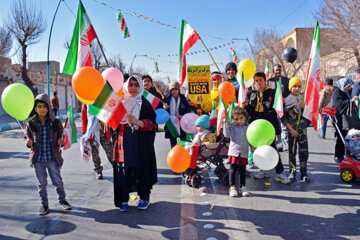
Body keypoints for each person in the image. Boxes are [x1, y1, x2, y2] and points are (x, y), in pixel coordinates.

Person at [113, 75, 157, 211]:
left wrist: (137, 122)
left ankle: (144, 198)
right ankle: (123, 200)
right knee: (123, 170)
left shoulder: (143, 103)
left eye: (136, 85)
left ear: (140, 87)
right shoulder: (119, 102)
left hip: (140, 142)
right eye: (130, 84)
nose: (132, 88)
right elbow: (110, 123)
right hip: (122, 140)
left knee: (141, 169)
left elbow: (153, 125)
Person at [25, 93, 71, 215]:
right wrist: (27, 142)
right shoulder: (31, 123)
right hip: (38, 159)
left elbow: (62, 138)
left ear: (49, 108)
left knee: (58, 181)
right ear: (35, 108)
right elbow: (27, 138)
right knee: (42, 184)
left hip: (52, 158)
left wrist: (61, 142)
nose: (42, 109)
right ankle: (44, 205)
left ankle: (63, 201)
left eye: (45, 107)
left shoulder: (55, 122)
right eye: (39, 106)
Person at [245, 72, 290, 184]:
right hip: (256, 127)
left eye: (261, 80)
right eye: (256, 81)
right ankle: (263, 169)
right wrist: (246, 105)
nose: (259, 83)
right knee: (260, 149)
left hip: (268, 127)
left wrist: (282, 103)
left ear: (265, 81)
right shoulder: (253, 95)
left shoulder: (272, 93)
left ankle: (280, 173)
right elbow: (250, 111)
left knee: (273, 148)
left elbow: (278, 108)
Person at [282, 77, 310, 182]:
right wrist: (291, 129)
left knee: (304, 152)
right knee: (292, 152)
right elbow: (283, 118)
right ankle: (292, 172)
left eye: (298, 86)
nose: (297, 89)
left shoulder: (303, 99)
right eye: (294, 86)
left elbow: (309, 115)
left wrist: (304, 108)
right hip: (292, 131)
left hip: (302, 130)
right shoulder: (286, 101)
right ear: (290, 88)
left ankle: (304, 172)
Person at [223, 107, 250, 197]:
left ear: (245, 117)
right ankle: (232, 187)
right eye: (236, 119)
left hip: (244, 151)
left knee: (242, 170)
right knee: (233, 170)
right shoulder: (232, 126)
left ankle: (243, 187)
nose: (239, 120)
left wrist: (253, 147)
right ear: (233, 119)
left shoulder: (248, 127)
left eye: (241, 118)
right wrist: (226, 124)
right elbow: (227, 134)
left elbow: (251, 138)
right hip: (234, 151)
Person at [81, 104, 114, 180]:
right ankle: (98, 170)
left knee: (110, 151)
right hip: (93, 133)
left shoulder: (102, 100)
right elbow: (84, 118)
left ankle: (117, 169)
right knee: (94, 152)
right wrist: (84, 132)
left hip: (104, 131)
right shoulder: (87, 104)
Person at [331, 77, 358, 163]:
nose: (350, 88)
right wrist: (351, 101)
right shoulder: (337, 92)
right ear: (344, 85)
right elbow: (339, 105)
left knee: (349, 136)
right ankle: (338, 155)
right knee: (341, 136)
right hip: (339, 118)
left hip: (347, 118)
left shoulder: (347, 91)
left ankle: (347, 154)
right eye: (348, 86)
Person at [268, 64, 290, 152]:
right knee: (276, 127)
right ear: (273, 71)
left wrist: (286, 100)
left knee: (284, 126)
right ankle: (278, 144)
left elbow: (289, 93)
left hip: (283, 108)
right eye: (276, 70)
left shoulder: (286, 80)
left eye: (279, 70)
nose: (278, 72)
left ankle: (286, 145)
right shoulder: (270, 81)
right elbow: (269, 93)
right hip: (273, 108)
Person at [163, 81, 190, 148]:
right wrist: (165, 108)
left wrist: (183, 116)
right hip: (171, 123)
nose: (174, 91)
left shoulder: (183, 98)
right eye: (172, 90)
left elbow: (187, 109)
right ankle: (174, 157)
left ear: (178, 90)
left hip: (182, 123)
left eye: (175, 89)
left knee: (183, 142)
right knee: (173, 144)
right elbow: (163, 112)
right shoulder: (167, 98)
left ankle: (183, 156)